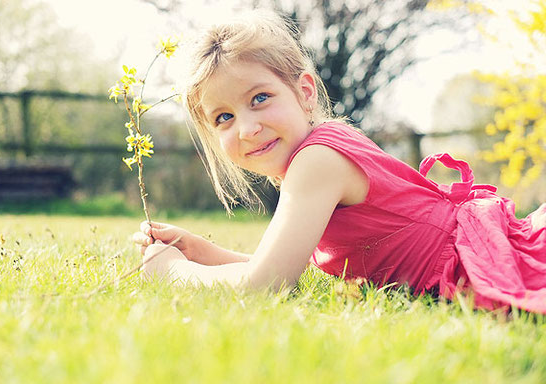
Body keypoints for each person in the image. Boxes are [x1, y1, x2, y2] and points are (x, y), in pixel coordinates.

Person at [132, 10, 546, 313]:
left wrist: (173, 272)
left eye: (260, 98)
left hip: (479, 264)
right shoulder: (319, 152)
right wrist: (203, 252)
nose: (246, 128)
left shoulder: (317, 162)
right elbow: (288, 266)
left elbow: (265, 285)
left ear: (306, 92)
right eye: (224, 117)